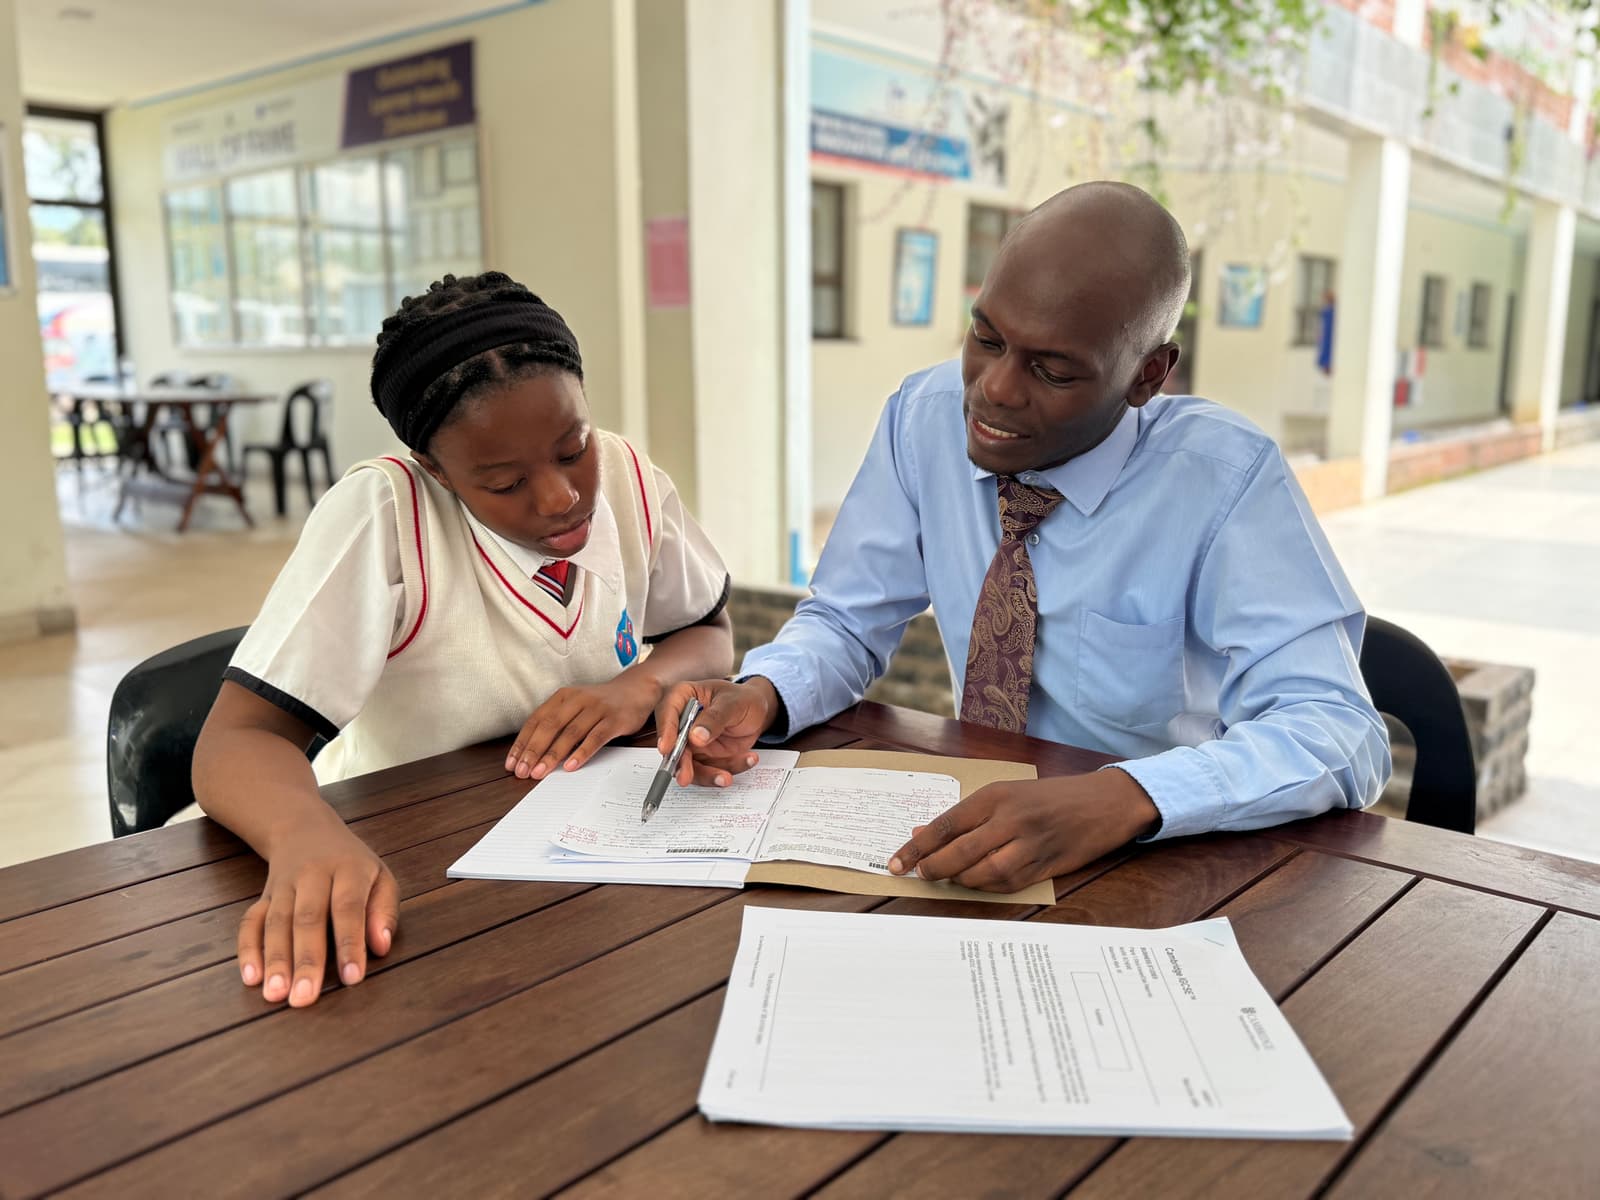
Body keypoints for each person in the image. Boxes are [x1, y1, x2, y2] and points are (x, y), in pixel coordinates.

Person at [659, 181, 1390, 894]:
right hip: (977, 834)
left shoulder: (1223, 481)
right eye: (987, 338)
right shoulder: (925, 418)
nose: (998, 388)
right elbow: (847, 619)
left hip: (1165, 859)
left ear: (1149, 376)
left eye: (1052, 368)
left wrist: (1121, 798)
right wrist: (764, 691)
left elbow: (1338, 731)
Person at [194, 271, 734, 1007]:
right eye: (504, 484)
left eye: (573, 448)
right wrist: (301, 836)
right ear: (437, 473)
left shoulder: (632, 479)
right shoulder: (386, 514)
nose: (560, 497)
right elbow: (235, 740)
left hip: (577, 863)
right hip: (410, 854)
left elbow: (709, 632)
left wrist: (636, 686)